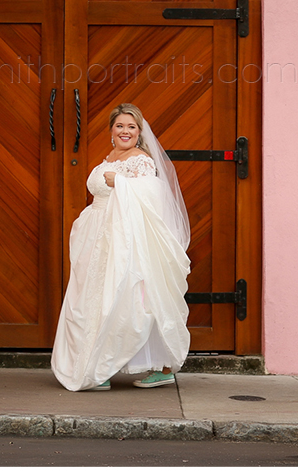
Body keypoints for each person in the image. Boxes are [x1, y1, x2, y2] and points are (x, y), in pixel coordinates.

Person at [51, 103, 191, 392]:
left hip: (125, 238)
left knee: (131, 299)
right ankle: (95, 364)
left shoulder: (141, 160)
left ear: (139, 132)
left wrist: (122, 183)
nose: (125, 131)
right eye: (120, 126)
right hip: (98, 236)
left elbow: (154, 196)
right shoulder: (110, 157)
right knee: (94, 300)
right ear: (111, 130)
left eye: (131, 127)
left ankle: (161, 367)